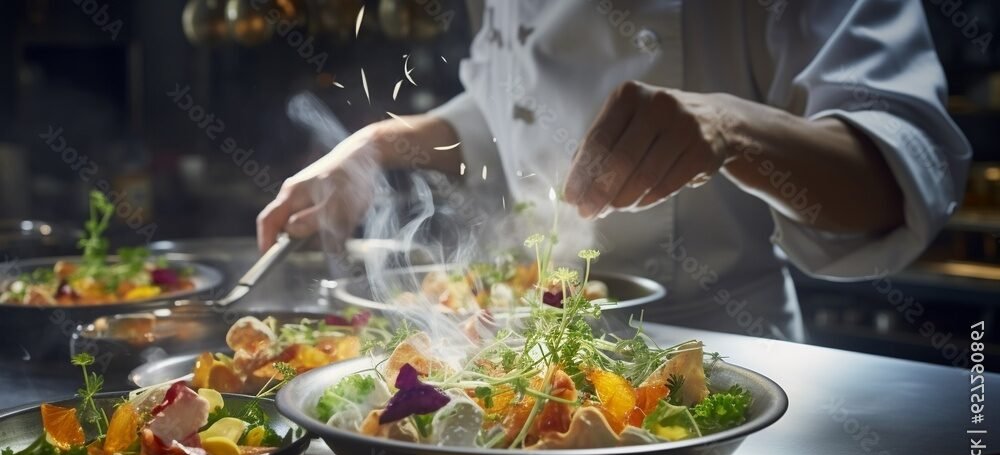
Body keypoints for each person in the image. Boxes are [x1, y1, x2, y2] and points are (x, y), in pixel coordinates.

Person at [257, 0, 971, 341]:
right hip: (536, 355)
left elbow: (905, 167)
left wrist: (727, 128)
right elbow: (511, 104)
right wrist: (381, 144)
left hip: (715, 355)